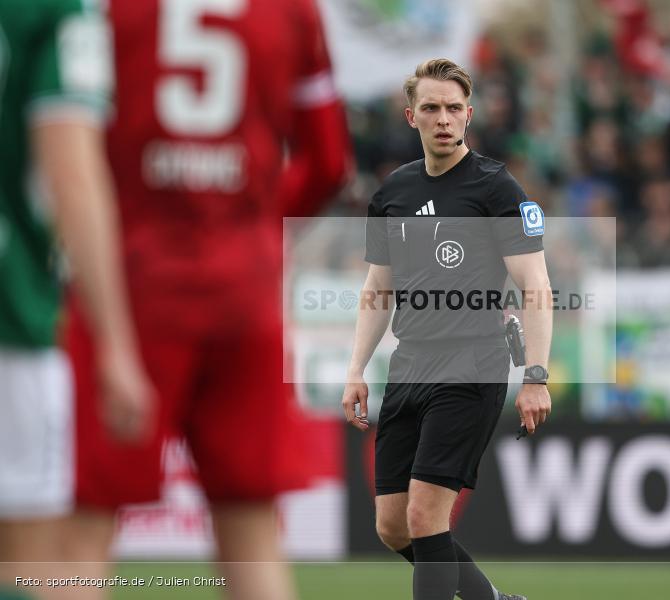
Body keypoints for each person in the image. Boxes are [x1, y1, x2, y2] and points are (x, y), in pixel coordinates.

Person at [62, 0, 352, 598]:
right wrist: (253, 225)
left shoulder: (107, 8)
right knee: (251, 538)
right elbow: (327, 161)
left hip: (129, 283)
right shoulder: (292, 10)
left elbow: (73, 152)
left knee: (80, 539)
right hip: (245, 289)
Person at [341, 58, 553, 600]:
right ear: (411, 116)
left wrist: (535, 375)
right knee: (392, 526)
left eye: (453, 108)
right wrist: (356, 369)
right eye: (431, 108)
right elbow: (377, 289)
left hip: (473, 362)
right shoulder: (393, 192)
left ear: (469, 115)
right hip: (409, 362)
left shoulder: (495, 187)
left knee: (424, 514)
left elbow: (535, 285)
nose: (443, 118)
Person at [0, 0, 152, 597]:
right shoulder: (57, 8)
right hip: (11, 313)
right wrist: (115, 343)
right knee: (28, 567)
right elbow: (73, 173)